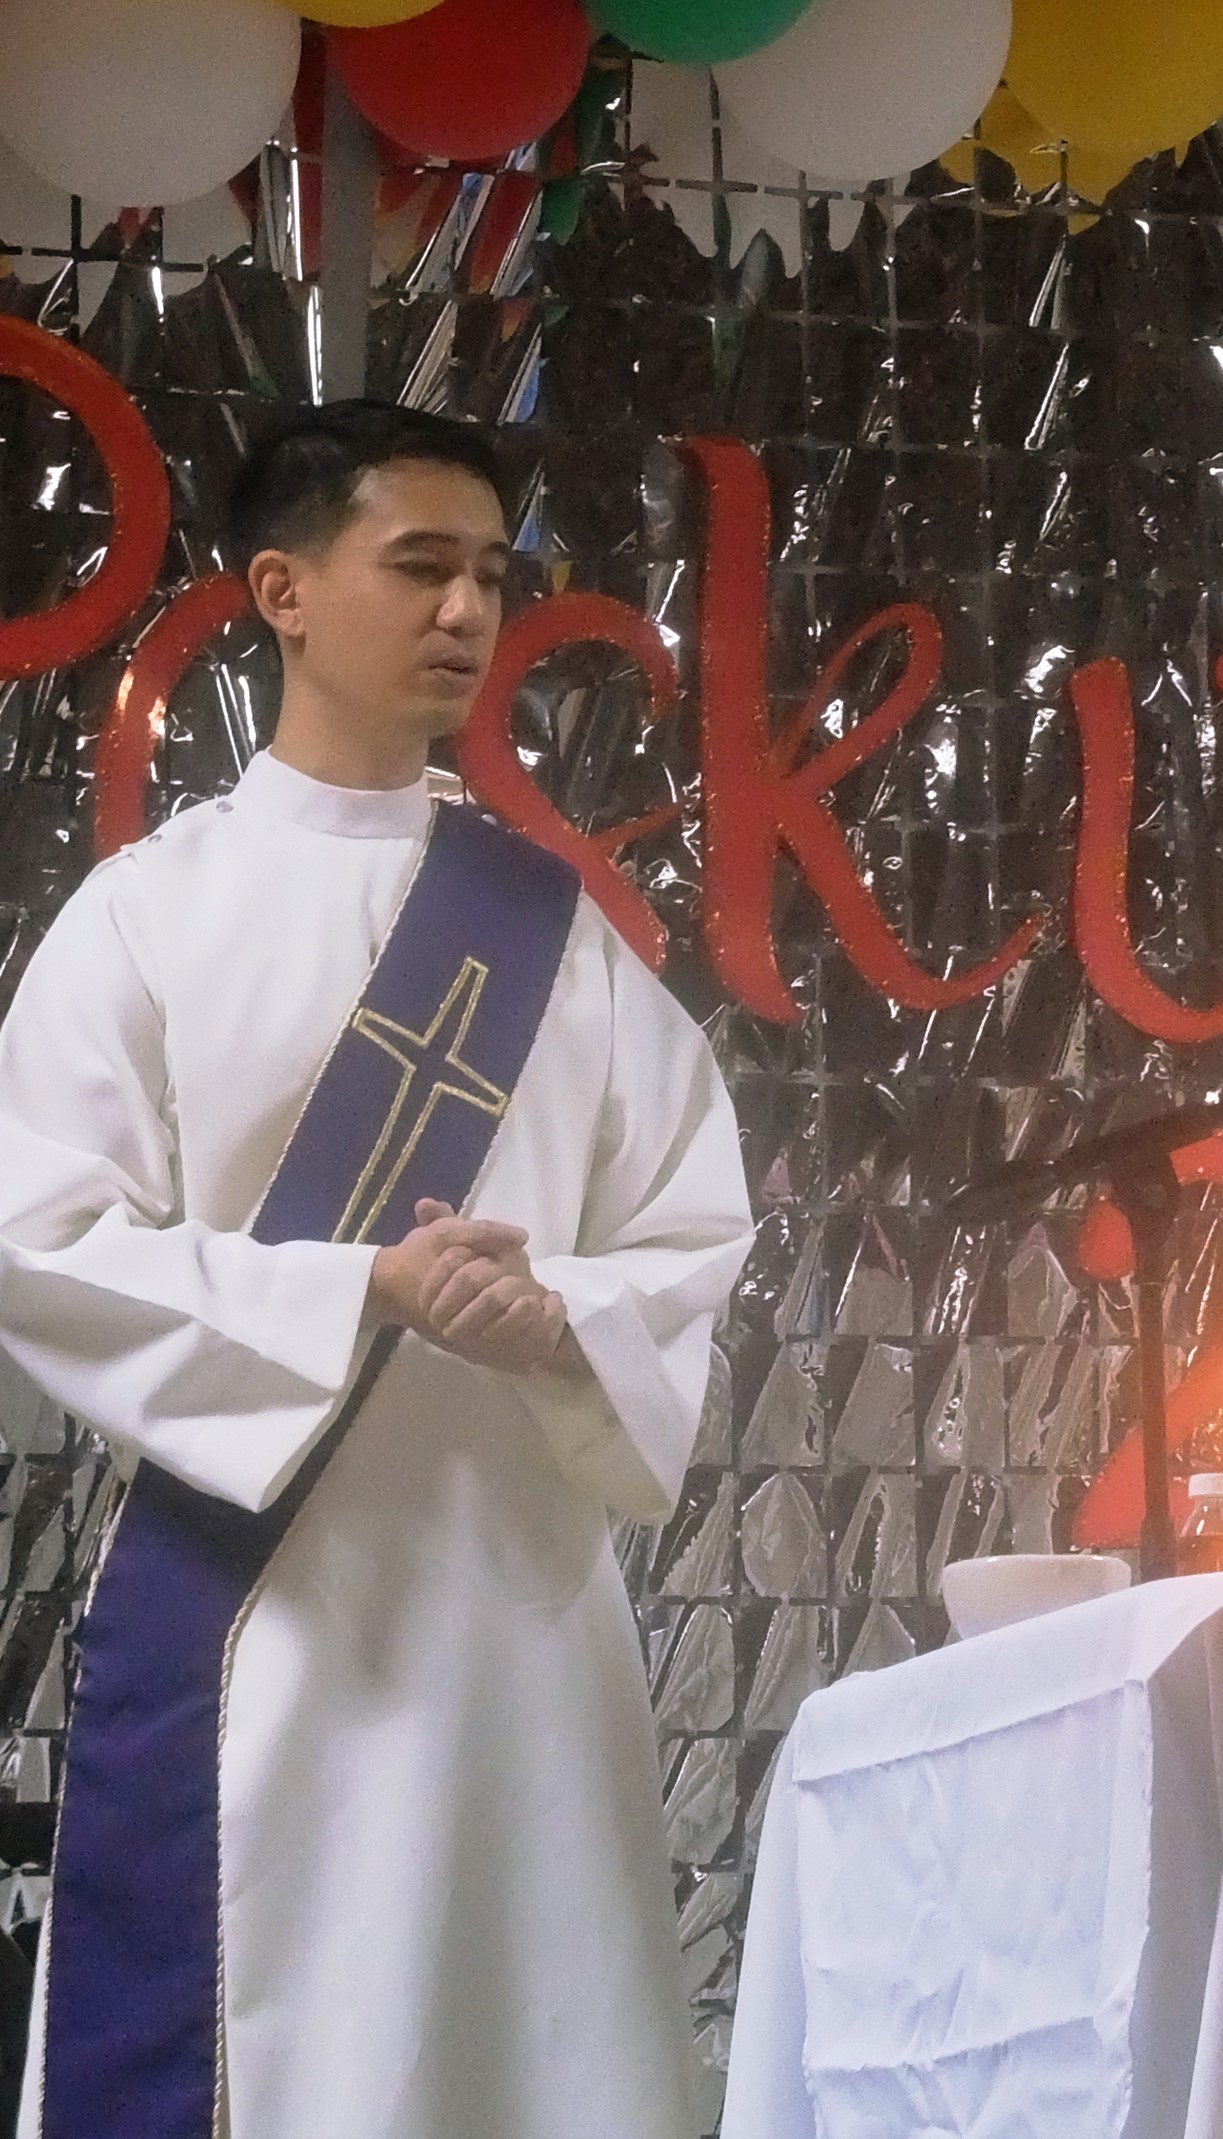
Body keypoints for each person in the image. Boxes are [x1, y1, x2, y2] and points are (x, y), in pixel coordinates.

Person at [0, 401, 753, 2138]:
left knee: (512, 2050)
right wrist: (358, 1294)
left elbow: (692, 1227)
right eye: (419, 565)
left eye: (491, 574)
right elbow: (39, 1230)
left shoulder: (555, 941)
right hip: (267, 1624)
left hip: (517, 1629)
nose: (468, 612)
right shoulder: (147, 912)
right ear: (280, 587)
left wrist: (563, 1316)